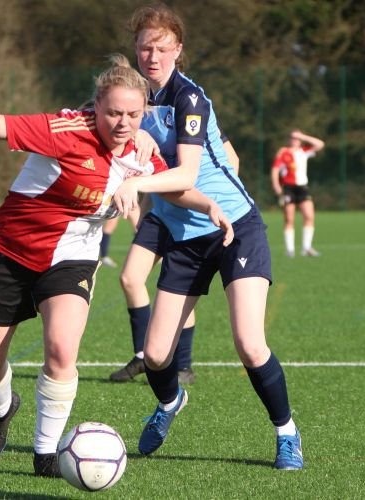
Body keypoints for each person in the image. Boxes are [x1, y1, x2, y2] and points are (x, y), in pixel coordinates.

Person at [0, 55, 233, 477]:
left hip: (73, 257)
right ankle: (4, 407)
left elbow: (172, 186)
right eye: (114, 113)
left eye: (134, 114)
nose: (123, 123)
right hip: (11, 250)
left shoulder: (141, 149)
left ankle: (45, 454)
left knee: (62, 350)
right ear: (95, 107)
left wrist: (207, 203)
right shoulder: (64, 130)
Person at [111, 4, 304, 470]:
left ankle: (287, 434)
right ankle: (169, 403)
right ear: (134, 51)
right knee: (157, 355)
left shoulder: (189, 98)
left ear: (178, 49)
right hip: (184, 239)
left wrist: (135, 184)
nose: (151, 55)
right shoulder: (134, 99)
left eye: (161, 47)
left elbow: (188, 172)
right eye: (144, 47)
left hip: (234, 228)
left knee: (249, 342)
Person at [109, 131, 240, 386]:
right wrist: (145, 212)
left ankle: (183, 365)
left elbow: (232, 160)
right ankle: (141, 356)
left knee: (176, 288)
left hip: (191, 214)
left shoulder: (192, 111)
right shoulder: (145, 117)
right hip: (160, 214)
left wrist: (209, 196)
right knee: (130, 278)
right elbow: (152, 174)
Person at [271, 129, 326, 258]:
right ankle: (290, 249)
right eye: (293, 137)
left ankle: (306, 247)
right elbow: (275, 169)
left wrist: (303, 136)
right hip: (288, 188)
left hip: (302, 188)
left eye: (297, 138)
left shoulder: (304, 151)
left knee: (309, 216)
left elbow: (320, 144)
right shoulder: (283, 152)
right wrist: (276, 185)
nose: (295, 140)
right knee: (289, 218)